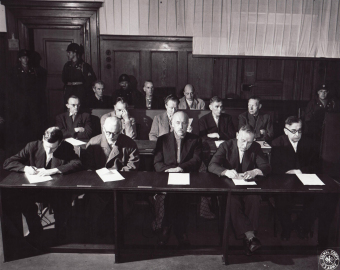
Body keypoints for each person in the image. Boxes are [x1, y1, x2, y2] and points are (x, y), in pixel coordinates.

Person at [3, 127, 83, 242]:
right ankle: (36, 232)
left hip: (56, 190)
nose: (49, 151)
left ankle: (60, 234)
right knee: (22, 200)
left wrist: (54, 170)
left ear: (60, 143)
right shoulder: (32, 146)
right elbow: (8, 162)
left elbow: (77, 163)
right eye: (47, 147)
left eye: (53, 148)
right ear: (43, 139)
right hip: (35, 189)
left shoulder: (66, 147)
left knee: (63, 204)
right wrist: (25, 168)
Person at [271, 116, 336, 246]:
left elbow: (316, 166)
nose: (297, 134)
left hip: (306, 181)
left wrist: (300, 171)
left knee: (320, 199)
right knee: (281, 199)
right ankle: (287, 228)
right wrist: (289, 172)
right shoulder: (277, 143)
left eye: (300, 131)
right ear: (285, 131)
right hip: (285, 182)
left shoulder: (310, 143)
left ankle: (302, 225)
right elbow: (275, 167)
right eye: (293, 131)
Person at [208, 125, 271, 256]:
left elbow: (266, 166)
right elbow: (212, 165)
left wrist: (255, 171)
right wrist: (225, 172)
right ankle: (250, 238)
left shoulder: (255, 147)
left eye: (249, 142)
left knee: (254, 199)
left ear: (253, 140)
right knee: (233, 202)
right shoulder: (226, 145)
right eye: (242, 140)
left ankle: (248, 238)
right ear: (237, 135)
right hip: (229, 186)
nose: (245, 145)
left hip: (247, 185)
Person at [84, 116, 140, 240]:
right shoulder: (93, 142)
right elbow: (87, 167)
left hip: (121, 185)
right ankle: (97, 236)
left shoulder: (129, 143)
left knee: (120, 208)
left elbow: (133, 166)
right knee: (94, 205)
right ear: (103, 129)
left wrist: (118, 173)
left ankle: (117, 235)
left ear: (121, 131)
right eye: (108, 132)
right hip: (98, 186)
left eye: (115, 133)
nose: (111, 136)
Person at [153, 111, 202, 247]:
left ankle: (167, 228)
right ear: (171, 124)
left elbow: (197, 160)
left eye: (184, 123)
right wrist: (169, 171)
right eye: (178, 123)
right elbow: (157, 163)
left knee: (177, 195)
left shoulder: (195, 139)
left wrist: (180, 168)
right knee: (175, 195)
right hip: (167, 176)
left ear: (188, 124)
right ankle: (180, 230)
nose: (181, 126)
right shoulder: (162, 140)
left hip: (187, 175)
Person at [8, 49, 45, 143]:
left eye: (27, 57)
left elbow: (37, 85)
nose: (25, 59)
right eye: (23, 57)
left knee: (33, 121)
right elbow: (12, 87)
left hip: (32, 100)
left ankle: (33, 141)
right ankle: (21, 142)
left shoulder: (33, 70)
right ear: (20, 59)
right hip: (20, 101)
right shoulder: (14, 70)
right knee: (21, 121)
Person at [62, 43, 97, 107]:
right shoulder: (67, 65)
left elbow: (90, 80)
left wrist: (82, 90)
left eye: (69, 52)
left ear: (75, 53)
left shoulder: (84, 65)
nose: (67, 54)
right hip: (68, 91)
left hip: (80, 91)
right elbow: (64, 79)